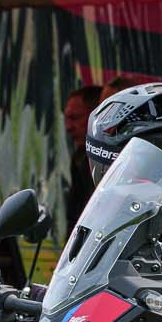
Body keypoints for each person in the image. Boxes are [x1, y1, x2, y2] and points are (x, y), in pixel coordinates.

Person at [62, 82, 102, 227]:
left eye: (75, 118)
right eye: (66, 119)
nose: (68, 127)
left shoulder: (117, 160)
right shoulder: (79, 158)